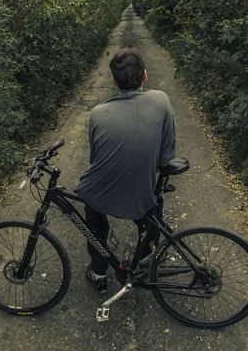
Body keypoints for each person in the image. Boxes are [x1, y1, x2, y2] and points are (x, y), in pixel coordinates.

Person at [75, 46, 176, 294]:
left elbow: (96, 159)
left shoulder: (97, 113)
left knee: (94, 218)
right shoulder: (162, 100)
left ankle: (98, 270)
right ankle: (147, 256)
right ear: (145, 75)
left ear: (114, 80)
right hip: (140, 195)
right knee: (151, 209)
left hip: (102, 193)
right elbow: (166, 155)